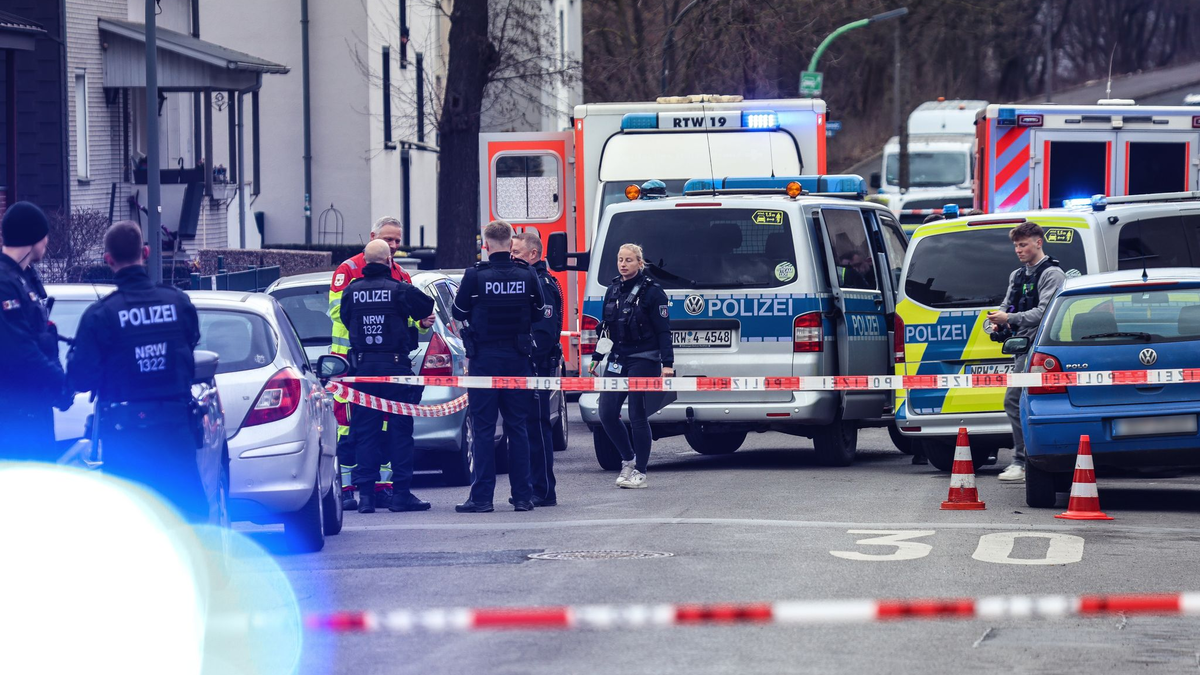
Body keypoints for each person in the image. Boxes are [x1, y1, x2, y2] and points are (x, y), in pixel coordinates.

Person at [66, 221, 207, 519]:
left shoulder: (100, 315)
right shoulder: (178, 302)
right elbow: (190, 344)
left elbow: (80, 378)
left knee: (132, 523)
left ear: (108, 260)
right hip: (175, 432)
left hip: (125, 437)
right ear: (146, 252)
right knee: (188, 522)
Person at [328, 216, 430, 509]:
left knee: (374, 430)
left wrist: (419, 323)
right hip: (352, 364)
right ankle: (357, 491)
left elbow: (409, 317)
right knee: (363, 429)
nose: (394, 245)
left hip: (366, 366)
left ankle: (374, 493)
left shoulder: (398, 274)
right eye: (388, 240)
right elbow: (337, 314)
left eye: (397, 240)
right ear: (373, 238)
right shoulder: (348, 270)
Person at [452, 220, 545, 513]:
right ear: (510, 243)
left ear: (486, 245)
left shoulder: (474, 275)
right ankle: (523, 497)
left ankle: (481, 499)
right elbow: (539, 313)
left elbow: (458, 311)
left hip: (484, 361)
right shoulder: (527, 274)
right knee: (518, 427)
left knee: (483, 429)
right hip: (517, 359)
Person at [987, 221, 1066, 483]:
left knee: (1014, 400)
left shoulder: (1052, 274)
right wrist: (997, 320)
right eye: (1016, 246)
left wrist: (1009, 318)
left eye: (1023, 245)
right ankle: (1030, 459)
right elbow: (1007, 304)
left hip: (1041, 348)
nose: (1018, 250)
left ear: (1038, 243)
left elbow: (1044, 313)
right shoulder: (1017, 275)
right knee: (1020, 401)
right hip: (1022, 348)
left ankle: (1023, 461)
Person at [593, 243, 674, 489]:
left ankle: (641, 471)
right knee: (606, 413)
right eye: (620, 259)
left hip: (644, 358)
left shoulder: (653, 292)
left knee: (637, 415)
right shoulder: (612, 290)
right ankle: (628, 459)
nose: (623, 264)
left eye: (628, 260)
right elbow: (606, 328)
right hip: (617, 358)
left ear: (640, 263)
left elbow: (663, 331)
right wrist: (597, 355)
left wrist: (667, 364)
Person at [0, 202, 67, 462]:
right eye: (44, 235)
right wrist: (61, 382)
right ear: (32, 238)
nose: (47, 241)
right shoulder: (5, 283)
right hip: (15, 417)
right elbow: (19, 351)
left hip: (31, 410)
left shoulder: (22, 279)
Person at [512, 231, 563, 506]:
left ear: (533, 254)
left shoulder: (541, 283)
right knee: (527, 427)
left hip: (538, 367)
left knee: (538, 427)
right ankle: (533, 486)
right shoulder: (530, 279)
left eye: (516, 253)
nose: (512, 257)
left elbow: (544, 334)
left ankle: (543, 490)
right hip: (529, 365)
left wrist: (528, 358)